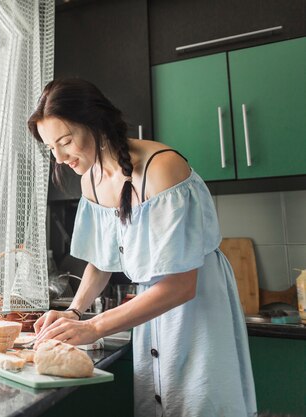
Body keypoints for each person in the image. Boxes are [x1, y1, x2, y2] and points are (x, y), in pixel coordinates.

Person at [28, 78, 256, 417]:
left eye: (65, 141)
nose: (59, 158)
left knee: (201, 404)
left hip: (198, 313)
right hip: (152, 312)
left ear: (95, 122)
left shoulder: (161, 169)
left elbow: (181, 285)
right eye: (51, 148)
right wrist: (74, 311)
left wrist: (94, 326)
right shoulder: (90, 179)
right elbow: (101, 261)